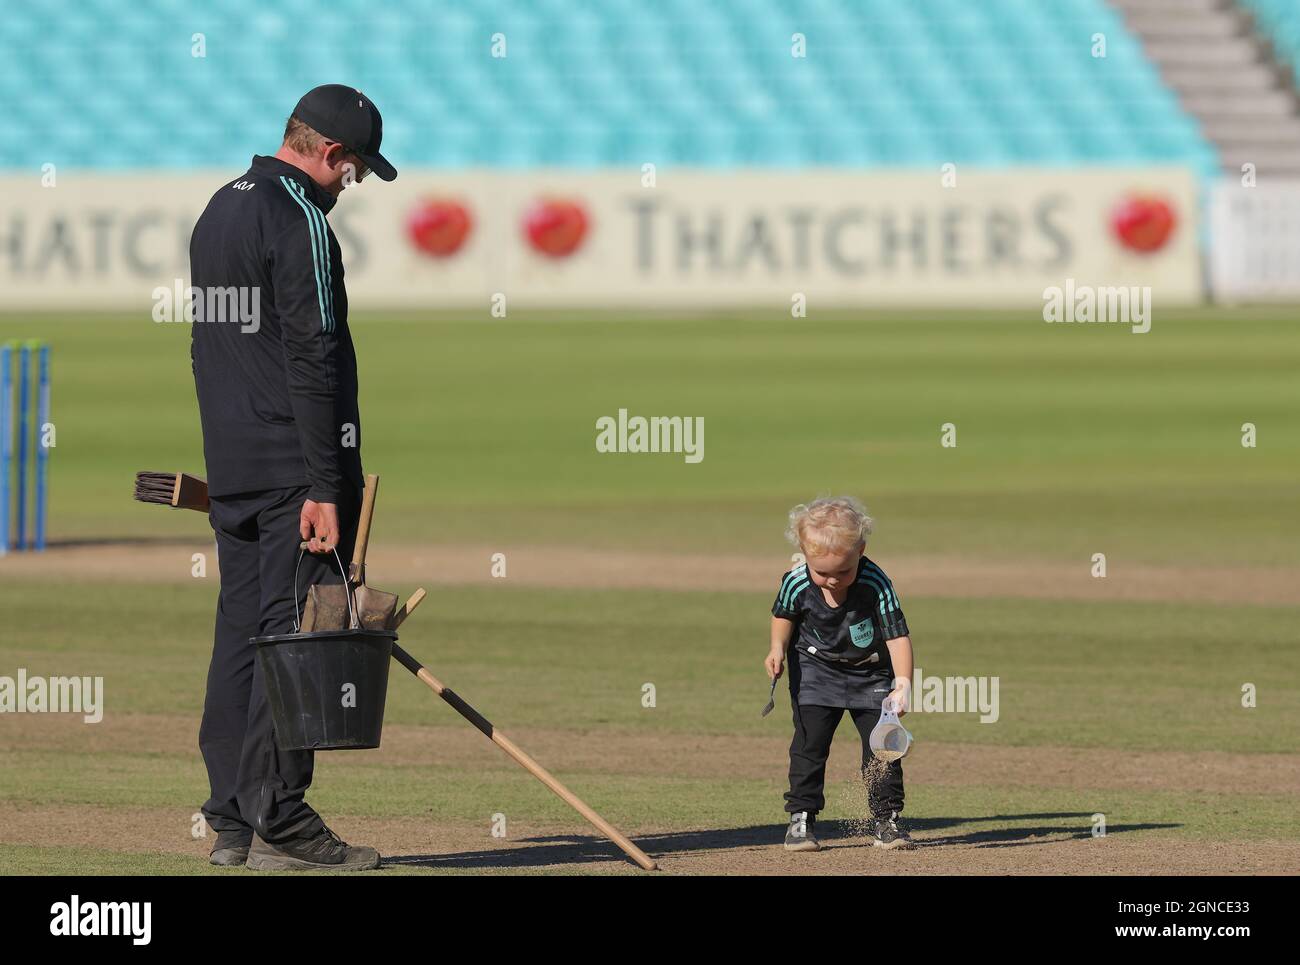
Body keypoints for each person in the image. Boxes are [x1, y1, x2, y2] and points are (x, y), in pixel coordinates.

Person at [189, 85, 396, 871]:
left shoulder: (219, 206)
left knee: (242, 631)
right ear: (330, 154)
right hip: (293, 474)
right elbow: (313, 353)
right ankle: (278, 816)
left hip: (238, 461)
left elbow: (210, 349)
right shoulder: (295, 214)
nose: (353, 187)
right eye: (355, 171)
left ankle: (233, 816)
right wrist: (321, 482)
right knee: (295, 635)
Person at [765, 496, 917, 852]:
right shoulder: (797, 582)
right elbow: (783, 615)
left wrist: (904, 683)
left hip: (871, 673)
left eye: (843, 571)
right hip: (815, 671)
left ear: (861, 550)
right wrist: (776, 648)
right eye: (823, 573)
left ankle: (886, 821)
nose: (833, 581)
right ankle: (801, 820)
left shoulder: (876, 583)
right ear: (804, 553)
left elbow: (897, 635)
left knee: (883, 748)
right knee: (809, 745)